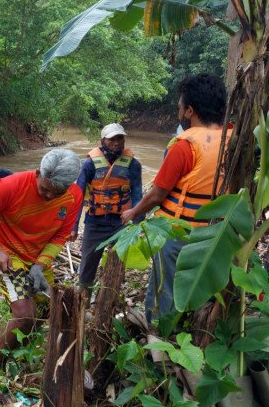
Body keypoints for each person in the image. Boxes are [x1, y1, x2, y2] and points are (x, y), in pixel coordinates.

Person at [121, 74, 229, 321]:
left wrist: (133, 212)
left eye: (180, 108)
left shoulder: (183, 146)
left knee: (164, 289)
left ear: (190, 111)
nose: (179, 113)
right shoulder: (234, 138)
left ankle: (157, 336)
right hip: (217, 232)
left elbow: (158, 194)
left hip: (179, 232)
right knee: (205, 286)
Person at [0, 149, 83, 373]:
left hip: (39, 257)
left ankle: (21, 349)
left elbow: (61, 235)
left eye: (56, 193)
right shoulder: (11, 186)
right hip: (8, 255)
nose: (49, 197)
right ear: (39, 173)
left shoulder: (75, 196)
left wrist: (40, 265)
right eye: (45, 189)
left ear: (69, 186)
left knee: (47, 310)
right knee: (24, 314)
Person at [70, 123, 143, 289]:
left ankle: (111, 296)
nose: (117, 143)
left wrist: (139, 221)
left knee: (117, 265)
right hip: (95, 223)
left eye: (120, 138)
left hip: (121, 222)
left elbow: (137, 194)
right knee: (88, 265)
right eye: (112, 139)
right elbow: (78, 195)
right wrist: (73, 226)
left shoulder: (133, 165)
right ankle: (84, 298)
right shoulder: (89, 165)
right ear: (103, 141)